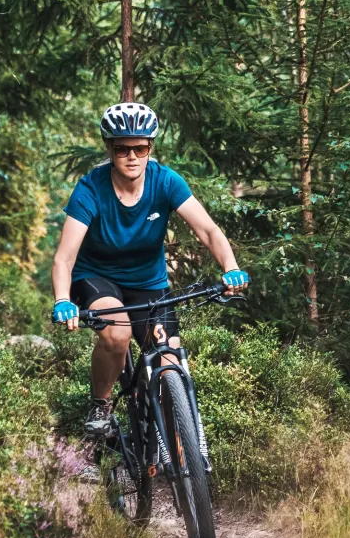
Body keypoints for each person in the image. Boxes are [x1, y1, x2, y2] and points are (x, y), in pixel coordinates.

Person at [51, 102, 249, 439]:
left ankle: (177, 450)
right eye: (122, 148)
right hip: (98, 278)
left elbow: (209, 232)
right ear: (109, 149)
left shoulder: (166, 181)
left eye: (140, 148)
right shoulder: (90, 189)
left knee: (169, 361)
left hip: (148, 282)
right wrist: (62, 300)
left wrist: (230, 267)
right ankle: (100, 406)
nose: (132, 156)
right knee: (117, 334)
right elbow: (64, 259)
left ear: (150, 148)